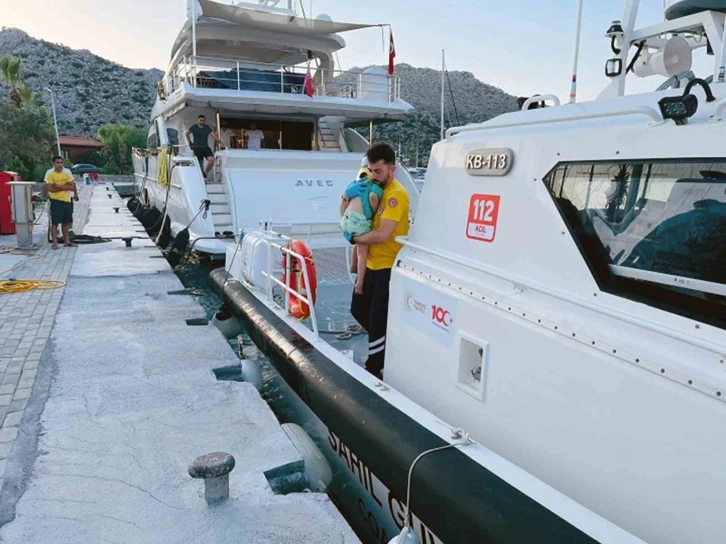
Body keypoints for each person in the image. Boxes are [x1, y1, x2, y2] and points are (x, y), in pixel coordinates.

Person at [346, 143, 410, 379]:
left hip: (387, 268)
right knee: (357, 309)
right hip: (371, 265)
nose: (373, 175)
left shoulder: (396, 195)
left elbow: (382, 234)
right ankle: (386, 341)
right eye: (371, 170)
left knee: (377, 321)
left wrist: (355, 238)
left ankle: (374, 368)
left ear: (392, 169)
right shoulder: (375, 190)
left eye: (378, 171)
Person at [339, 167, 383, 295]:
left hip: (346, 220)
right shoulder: (374, 187)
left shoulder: (354, 185)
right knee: (362, 253)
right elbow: (373, 197)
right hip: (359, 222)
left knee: (357, 243)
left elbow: (344, 199)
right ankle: (359, 283)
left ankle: (353, 266)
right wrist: (374, 211)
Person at [45, 156, 78, 250]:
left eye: (61, 163)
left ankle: (66, 241)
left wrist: (58, 186)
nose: (60, 165)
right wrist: (64, 187)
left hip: (66, 200)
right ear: (53, 164)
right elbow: (50, 188)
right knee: (55, 223)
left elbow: (71, 186)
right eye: (57, 163)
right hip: (55, 201)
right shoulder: (50, 174)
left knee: (66, 222)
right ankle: (55, 243)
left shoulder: (66, 174)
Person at [186, 115, 225, 179]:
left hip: (205, 147)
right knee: (200, 164)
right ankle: (201, 178)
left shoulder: (207, 128)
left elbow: (214, 137)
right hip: (197, 148)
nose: (202, 121)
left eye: (203, 120)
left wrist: (221, 143)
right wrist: (190, 142)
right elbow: (187, 133)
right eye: (200, 120)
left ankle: (206, 173)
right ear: (198, 120)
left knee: (212, 159)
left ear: (205, 121)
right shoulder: (194, 127)